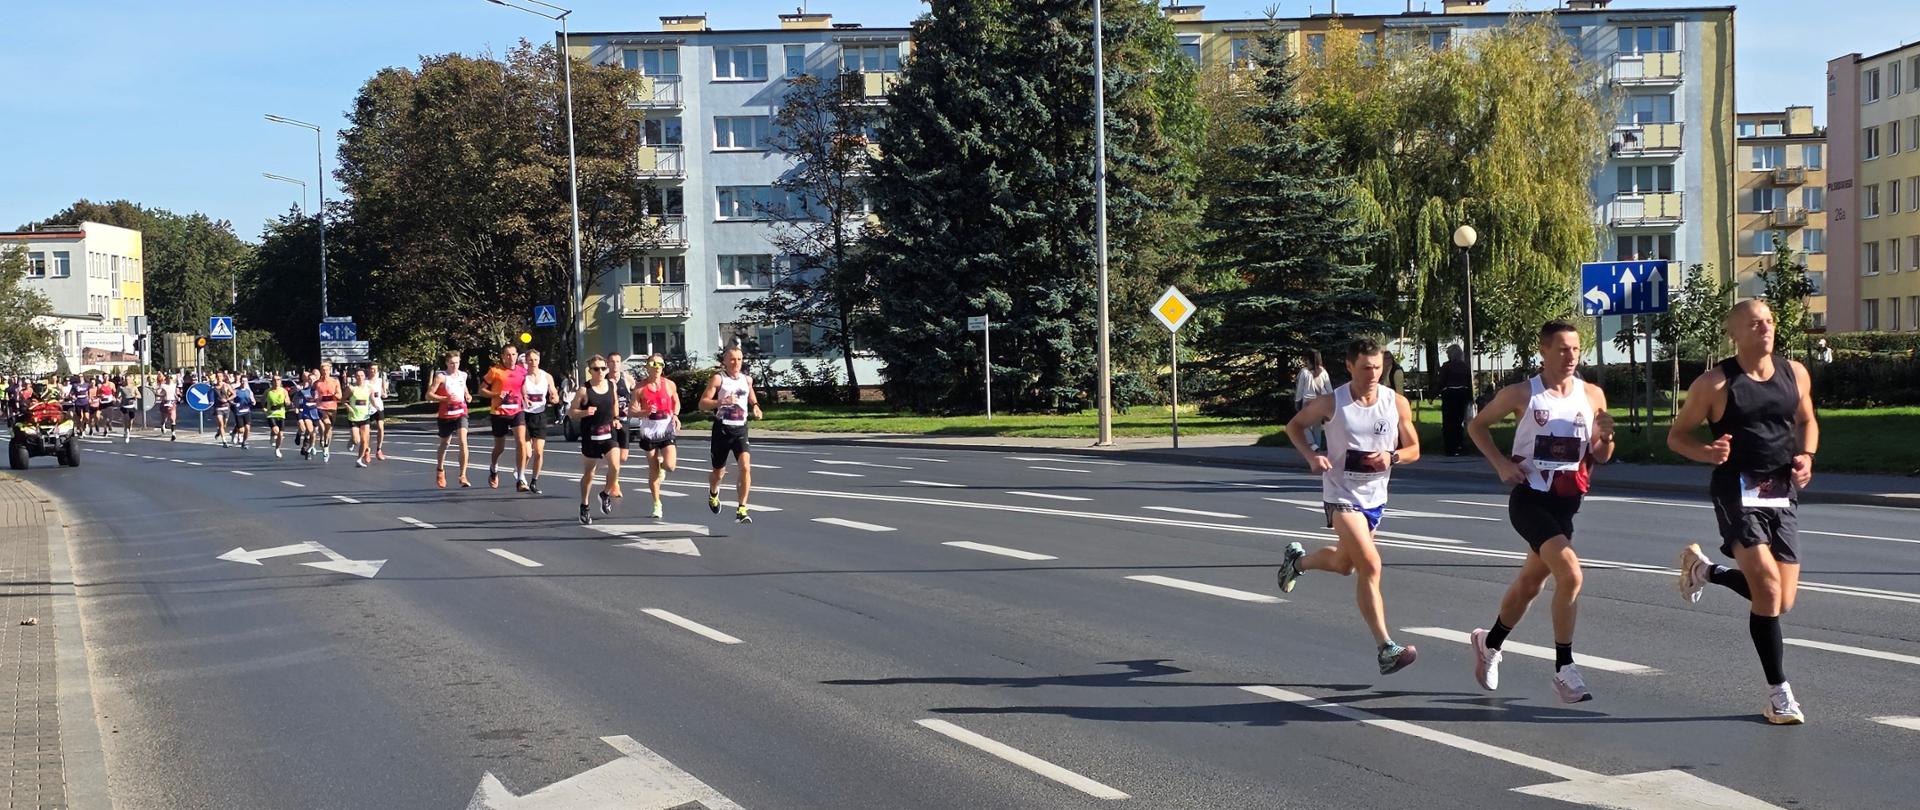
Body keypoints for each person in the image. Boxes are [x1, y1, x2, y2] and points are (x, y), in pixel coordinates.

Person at [1669, 299, 1818, 726]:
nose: (1766, 328)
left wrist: (1806, 454)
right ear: (1735, 333)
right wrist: (1707, 451)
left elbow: (1807, 421)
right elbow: (1677, 437)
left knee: (1781, 601)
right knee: (1768, 590)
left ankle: (1705, 571)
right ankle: (1779, 695)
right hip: (1736, 491)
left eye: (1769, 321)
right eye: (1755, 323)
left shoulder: (1795, 373)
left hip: (1781, 493)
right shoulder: (1714, 384)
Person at [1465, 321, 1616, 703]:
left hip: (1567, 502)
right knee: (1571, 574)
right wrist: (1500, 464)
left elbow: (1601, 454)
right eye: (1563, 349)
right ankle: (1564, 669)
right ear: (1544, 351)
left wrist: (1606, 438)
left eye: (1576, 349)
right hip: (1529, 499)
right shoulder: (1522, 393)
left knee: (1532, 583)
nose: (1570, 357)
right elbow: (1477, 427)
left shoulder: (1593, 394)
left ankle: (1490, 642)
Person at [1276, 337, 1423, 676]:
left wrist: (1393, 456)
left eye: (1378, 367)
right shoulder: (1333, 402)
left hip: (1376, 498)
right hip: (1341, 495)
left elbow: (1414, 448)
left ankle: (1297, 562)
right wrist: (1313, 456)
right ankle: (1386, 648)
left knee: (1346, 565)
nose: (1373, 374)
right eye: (1365, 368)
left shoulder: (1396, 403)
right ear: (1349, 366)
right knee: (1370, 564)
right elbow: (1294, 426)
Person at [700, 347, 764, 524]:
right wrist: (721, 401)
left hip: (740, 429)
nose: (737, 363)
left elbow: (750, 393)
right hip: (722, 430)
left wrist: (756, 406)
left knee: (745, 467)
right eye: (733, 359)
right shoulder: (719, 379)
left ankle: (742, 508)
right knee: (718, 473)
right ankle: (713, 491)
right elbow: (702, 404)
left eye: (739, 359)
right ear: (725, 361)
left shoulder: (746, 379)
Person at [568, 356, 620, 525]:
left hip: (609, 434)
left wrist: (616, 418)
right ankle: (585, 505)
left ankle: (605, 493)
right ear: (589, 371)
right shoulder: (584, 390)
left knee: (615, 466)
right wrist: (584, 413)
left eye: (603, 368)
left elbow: (615, 403)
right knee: (590, 473)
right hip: (591, 436)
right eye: (596, 369)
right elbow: (571, 412)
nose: (600, 372)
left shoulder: (611, 385)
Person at [636, 353, 682, 519]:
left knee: (670, 466)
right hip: (649, 431)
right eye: (653, 364)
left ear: (663, 367)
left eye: (660, 364)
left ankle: (663, 467)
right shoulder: (640, 388)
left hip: (666, 428)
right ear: (647, 367)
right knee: (653, 469)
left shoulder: (669, 385)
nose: (656, 367)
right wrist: (644, 412)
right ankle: (657, 503)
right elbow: (631, 411)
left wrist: (675, 416)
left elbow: (676, 402)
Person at [480, 345, 528, 491]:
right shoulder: (495, 371)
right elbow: (481, 390)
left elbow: (522, 386)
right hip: (499, 413)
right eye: (508, 355)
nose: (511, 357)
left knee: (521, 443)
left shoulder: (522, 371)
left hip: (517, 411)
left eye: (513, 354)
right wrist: (495, 394)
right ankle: (494, 468)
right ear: (502, 356)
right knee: (500, 447)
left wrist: (525, 397)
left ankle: (520, 478)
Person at [428, 351, 472, 488]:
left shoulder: (463, 375)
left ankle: (463, 475)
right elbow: (428, 395)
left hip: (461, 413)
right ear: (447, 363)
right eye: (452, 363)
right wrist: (444, 399)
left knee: (463, 442)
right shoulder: (441, 377)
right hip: (445, 415)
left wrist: (468, 395)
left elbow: (464, 389)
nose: (455, 365)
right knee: (445, 444)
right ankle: (440, 469)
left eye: (457, 363)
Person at [519, 350, 559, 495]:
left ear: (539, 360)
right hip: (524, 415)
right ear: (526, 361)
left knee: (539, 452)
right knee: (527, 453)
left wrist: (554, 399)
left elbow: (554, 394)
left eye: (536, 360)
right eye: (530, 360)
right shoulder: (522, 377)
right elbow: (518, 393)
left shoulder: (546, 376)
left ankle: (534, 481)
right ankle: (521, 475)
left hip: (540, 416)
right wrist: (523, 398)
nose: (533, 363)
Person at [1293, 351, 1332, 451]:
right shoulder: (1323, 372)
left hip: (1308, 402)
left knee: (1303, 425)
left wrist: (1297, 402)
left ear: (1309, 360)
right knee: (1317, 428)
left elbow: (1300, 390)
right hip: (1320, 403)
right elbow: (1329, 389)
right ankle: (1317, 449)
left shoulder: (1304, 372)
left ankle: (1313, 445)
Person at [1439, 344, 1471, 456]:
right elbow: (1469, 382)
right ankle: (1459, 445)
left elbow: (1441, 381)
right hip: (1462, 394)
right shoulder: (1465, 366)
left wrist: (1433, 394)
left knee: (1448, 422)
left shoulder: (1446, 366)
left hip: (1449, 394)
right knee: (1458, 421)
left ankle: (1449, 447)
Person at [313, 361, 342, 461]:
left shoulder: (335, 381)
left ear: (330, 371)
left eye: (327, 370)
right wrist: (316, 398)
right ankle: (325, 446)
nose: (325, 372)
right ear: (321, 371)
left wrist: (334, 395)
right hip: (321, 408)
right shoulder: (317, 383)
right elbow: (313, 394)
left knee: (329, 429)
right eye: (323, 370)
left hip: (332, 408)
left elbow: (340, 395)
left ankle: (326, 447)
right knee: (327, 424)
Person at [346, 368, 374, 468]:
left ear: (364, 377)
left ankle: (359, 459)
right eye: (358, 376)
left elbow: (372, 400)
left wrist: (377, 408)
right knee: (357, 440)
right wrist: (348, 407)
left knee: (365, 440)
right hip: (354, 417)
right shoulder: (351, 388)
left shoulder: (369, 388)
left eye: (362, 376)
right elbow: (343, 400)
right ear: (355, 377)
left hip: (365, 416)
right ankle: (352, 440)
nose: (360, 378)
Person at [265, 375, 290, 459]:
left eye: (278, 380)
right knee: (276, 430)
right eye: (274, 380)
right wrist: (264, 408)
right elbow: (262, 400)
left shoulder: (283, 391)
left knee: (281, 434)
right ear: (272, 382)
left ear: (280, 381)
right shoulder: (268, 391)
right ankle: (272, 436)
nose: (276, 382)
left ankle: (277, 449)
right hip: (271, 414)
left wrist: (287, 403)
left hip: (281, 414)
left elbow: (288, 401)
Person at [367, 363, 388, 461]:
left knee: (380, 427)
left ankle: (379, 450)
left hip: (379, 407)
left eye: (375, 369)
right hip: (368, 407)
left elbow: (383, 392)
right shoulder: (365, 382)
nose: (374, 371)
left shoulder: (380, 380)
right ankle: (367, 450)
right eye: (372, 369)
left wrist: (384, 394)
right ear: (369, 370)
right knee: (367, 431)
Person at [231, 375, 255, 450]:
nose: (243, 382)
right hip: (238, 412)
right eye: (242, 381)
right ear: (240, 381)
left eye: (245, 381)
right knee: (241, 430)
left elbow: (253, 400)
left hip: (247, 411)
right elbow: (230, 400)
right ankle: (234, 433)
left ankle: (244, 442)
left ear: (247, 382)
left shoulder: (249, 391)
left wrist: (253, 402)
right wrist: (234, 404)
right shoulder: (236, 391)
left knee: (247, 428)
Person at [115, 375, 138, 443]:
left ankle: (128, 429)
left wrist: (134, 397)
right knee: (126, 419)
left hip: (131, 406)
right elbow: (116, 395)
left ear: (131, 380)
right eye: (126, 379)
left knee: (130, 421)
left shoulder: (134, 387)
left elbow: (139, 395)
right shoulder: (121, 387)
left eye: (128, 379)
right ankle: (127, 432)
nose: (127, 381)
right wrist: (117, 399)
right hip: (124, 406)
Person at [213, 374, 233, 447]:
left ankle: (219, 432)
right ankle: (224, 441)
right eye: (218, 377)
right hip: (218, 408)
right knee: (221, 424)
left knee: (224, 425)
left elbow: (234, 394)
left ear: (223, 377)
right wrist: (210, 401)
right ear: (216, 378)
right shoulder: (214, 386)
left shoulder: (226, 385)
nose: (219, 378)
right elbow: (208, 393)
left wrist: (227, 399)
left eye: (220, 376)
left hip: (226, 407)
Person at [156, 373, 179, 441]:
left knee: (172, 419)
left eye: (171, 378)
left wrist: (177, 397)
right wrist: (160, 395)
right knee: (164, 419)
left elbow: (174, 393)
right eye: (169, 378)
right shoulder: (163, 386)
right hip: (164, 402)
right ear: (166, 379)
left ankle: (173, 434)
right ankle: (163, 425)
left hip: (172, 402)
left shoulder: (174, 385)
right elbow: (158, 393)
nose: (170, 380)